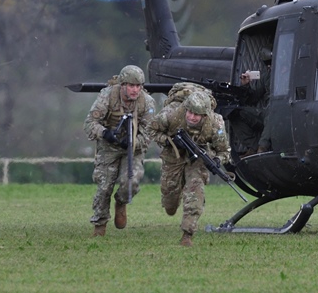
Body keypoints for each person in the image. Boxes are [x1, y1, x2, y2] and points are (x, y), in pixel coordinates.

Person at [148, 89, 230, 247]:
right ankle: (172, 201)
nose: (192, 117)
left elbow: (224, 151)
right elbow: (151, 130)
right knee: (170, 200)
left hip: (198, 158)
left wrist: (217, 160)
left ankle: (187, 234)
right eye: (190, 112)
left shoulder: (215, 123)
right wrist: (169, 141)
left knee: (195, 191)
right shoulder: (170, 115)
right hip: (173, 155)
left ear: (204, 115)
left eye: (196, 115)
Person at [84, 65, 154, 236]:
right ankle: (100, 224)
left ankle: (121, 202)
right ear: (122, 85)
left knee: (131, 181)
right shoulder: (108, 96)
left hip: (133, 148)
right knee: (104, 186)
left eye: (138, 86)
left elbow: (149, 133)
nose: (135, 90)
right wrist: (105, 133)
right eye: (131, 86)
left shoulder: (147, 102)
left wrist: (133, 143)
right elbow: (90, 124)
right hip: (108, 146)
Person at [235, 47, 271, 156]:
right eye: (267, 64)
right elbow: (253, 98)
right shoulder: (267, 75)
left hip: (283, 112)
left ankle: (263, 148)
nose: (269, 66)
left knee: (273, 112)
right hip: (266, 113)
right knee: (235, 113)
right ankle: (254, 147)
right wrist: (246, 85)